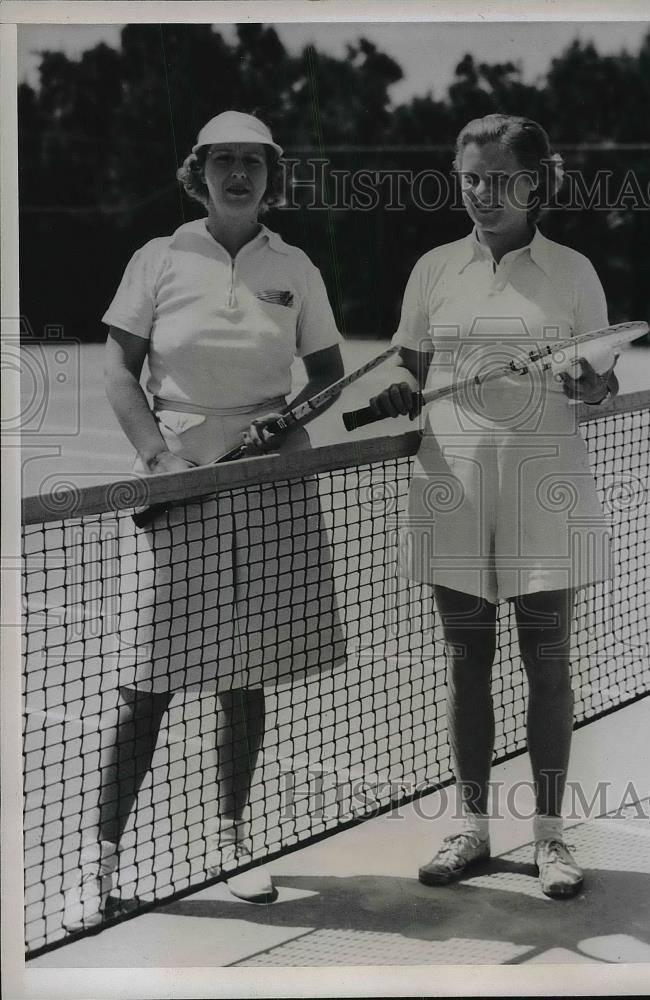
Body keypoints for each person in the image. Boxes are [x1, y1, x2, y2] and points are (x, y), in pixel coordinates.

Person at [63, 111, 345, 931]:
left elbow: (325, 374)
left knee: (242, 675)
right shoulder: (159, 258)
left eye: (252, 163)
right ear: (199, 171)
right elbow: (118, 368)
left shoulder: (294, 267)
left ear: (270, 175)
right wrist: (159, 458)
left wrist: (289, 423)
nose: (237, 174)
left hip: (265, 482)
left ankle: (234, 841)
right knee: (144, 682)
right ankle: (98, 862)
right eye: (223, 161)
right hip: (177, 475)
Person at [369, 114, 618, 899]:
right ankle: (472, 829)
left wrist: (593, 386)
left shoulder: (575, 271)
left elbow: (600, 378)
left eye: (501, 178)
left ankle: (549, 838)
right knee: (465, 662)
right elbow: (410, 367)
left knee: (547, 664)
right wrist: (401, 390)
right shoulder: (434, 268)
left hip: (546, 485)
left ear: (536, 181)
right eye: (470, 177)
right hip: (454, 484)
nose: (482, 193)